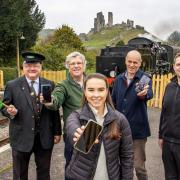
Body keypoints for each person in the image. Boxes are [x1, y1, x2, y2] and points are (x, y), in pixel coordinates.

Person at [1, 52, 62, 180]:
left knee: (44, 173)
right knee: (19, 174)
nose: (32, 68)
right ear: (23, 67)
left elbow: (54, 111)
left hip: (44, 137)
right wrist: (9, 112)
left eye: (36, 65)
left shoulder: (50, 84)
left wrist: (57, 132)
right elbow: (4, 107)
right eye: (29, 65)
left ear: (41, 67)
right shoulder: (12, 85)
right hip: (21, 137)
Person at [66, 73, 133, 180]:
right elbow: (71, 127)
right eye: (91, 90)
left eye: (101, 90)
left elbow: (127, 156)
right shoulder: (76, 116)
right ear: (84, 92)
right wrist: (77, 134)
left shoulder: (120, 119)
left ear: (107, 91)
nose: (96, 95)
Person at [42, 51, 86, 178]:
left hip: (93, 130)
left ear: (84, 65)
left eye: (79, 63)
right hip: (74, 134)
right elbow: (56, 100)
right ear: (68, 66)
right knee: (72, 166)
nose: (76, 66)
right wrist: (50, 101)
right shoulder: (63, 85)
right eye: (72, 64)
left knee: (93, 165)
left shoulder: (91, 80)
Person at [112, 50, 153, 180]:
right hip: (119, 130)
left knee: (139, 167)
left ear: (140, 63)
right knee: (120, 165)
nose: (132, 65)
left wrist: (144, 94)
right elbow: (112, 103)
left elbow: (149, 93)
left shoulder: (145, 78)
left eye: (135, 62)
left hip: (138, 131)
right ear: (125, 61)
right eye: (129, 61)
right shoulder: (118, 79)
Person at [158, 53, 180, 179]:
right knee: (170, 177)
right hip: (167, 142)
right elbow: (164, 113)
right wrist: (161, 135)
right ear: (174, 66)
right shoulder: (169, 86)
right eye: (178, 64)